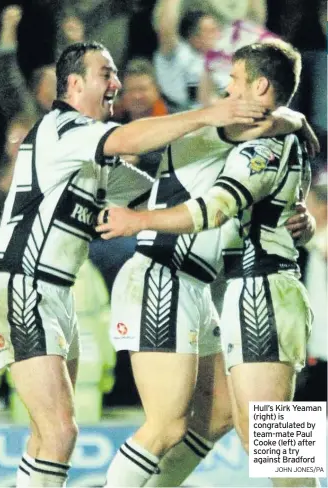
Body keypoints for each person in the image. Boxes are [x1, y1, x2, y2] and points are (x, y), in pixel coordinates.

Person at [0, 40, 266, 488]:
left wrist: (286, 127)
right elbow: (134, 149)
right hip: (40, 285)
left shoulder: (281, 138)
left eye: (234, 85)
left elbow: (158, 199)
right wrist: (212, 116)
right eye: (106, 74)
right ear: (73, 83)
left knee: (220, 415)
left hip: (247, 293)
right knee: (86, 431)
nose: (116, 84)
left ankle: (302, 475)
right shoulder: (62, 127)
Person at [96, 41, 320, 488]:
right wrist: (293, 118)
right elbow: (268, 128)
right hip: (178, 277)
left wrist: (135, 218)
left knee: (271, 442)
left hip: (254, 292)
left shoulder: (259, 143)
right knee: (235, 432)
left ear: (258, 87)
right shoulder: (244, 134)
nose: (225, 92)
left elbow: (214, 211)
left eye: (234, 82)